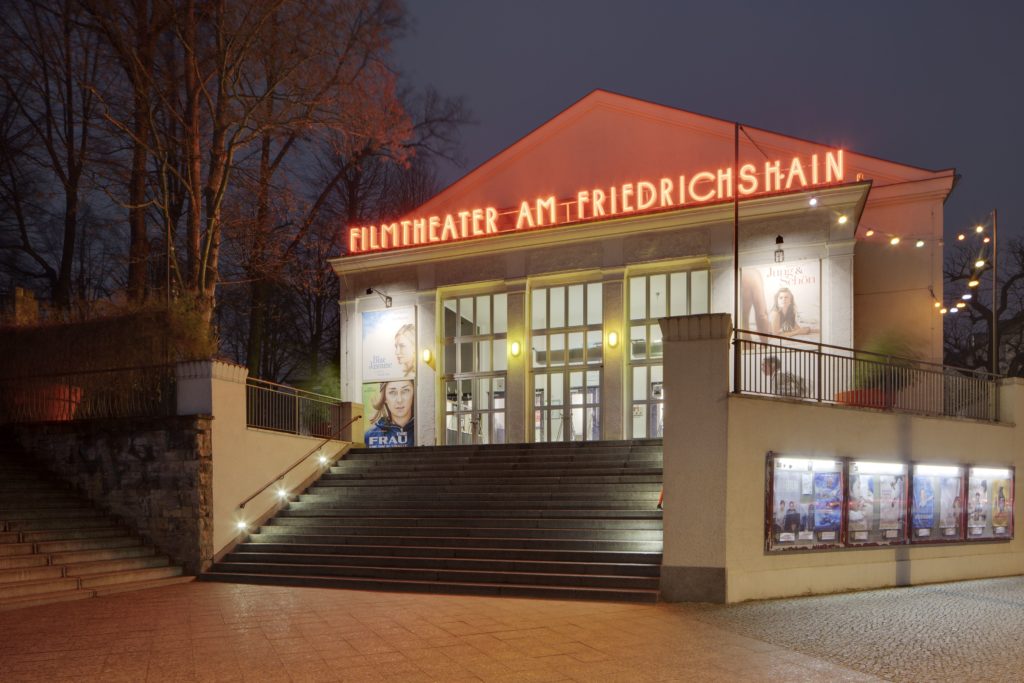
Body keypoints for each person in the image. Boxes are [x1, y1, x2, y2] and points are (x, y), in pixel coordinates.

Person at [364, 379, 415, 448]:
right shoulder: (371, 435)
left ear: (414, 394)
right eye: (392, 392)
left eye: (405, 390)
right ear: (384, 398)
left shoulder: (426, 430)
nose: (399, 400)